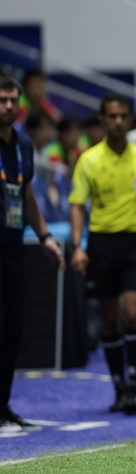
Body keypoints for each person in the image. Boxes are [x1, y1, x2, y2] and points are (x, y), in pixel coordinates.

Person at [69, 92, 136, 415]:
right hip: (102, 244)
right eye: (111, 116)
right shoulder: (89, 160)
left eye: (123, 116)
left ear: (131, 120)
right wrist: (79, 246)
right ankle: (118, 386)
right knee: (110, 320)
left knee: (134, 314)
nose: (117, 121)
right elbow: (77, 205)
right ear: (102, 120)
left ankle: (135, 385)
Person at [0, 75, 64, 433]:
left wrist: (45, 236)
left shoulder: (24, 146)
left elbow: (26, 195)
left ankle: (3, 403)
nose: (7, 105)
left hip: (12, 244)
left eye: (12, 100)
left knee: (13, 328)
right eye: (1, 99)